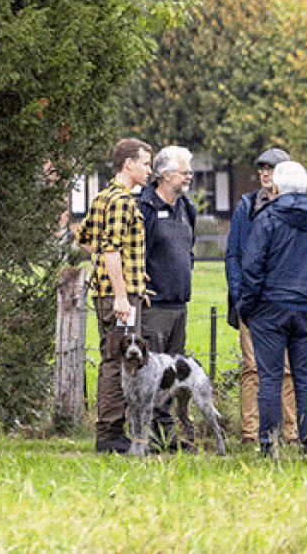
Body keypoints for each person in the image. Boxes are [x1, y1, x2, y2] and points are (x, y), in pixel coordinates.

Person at [239, 161, 307, 457]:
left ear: (276, 187)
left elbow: (252, 266)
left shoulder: (268, 217)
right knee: (304, 378)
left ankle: (269, 443)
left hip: (270, 307)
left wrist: (249, 307)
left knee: (270, 377)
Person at [77, 138, 152, 454]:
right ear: (129, 163)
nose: (149, 170)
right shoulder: (121, 201)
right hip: (116, 298)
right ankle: (109, 434)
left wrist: (132, 274)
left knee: (114, 358)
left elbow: (85, 239)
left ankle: (111, 432)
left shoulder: (103, 197)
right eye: (146, 163)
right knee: (116, 361)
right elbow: (109, 249)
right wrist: (121, 293)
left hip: (113, 291)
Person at [225, 147, 297, 446]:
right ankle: (250, 432)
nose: (266, 174)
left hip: (285, 301)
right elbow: (233, 254)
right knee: (252, 367)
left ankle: (292, 432)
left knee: (287, 369)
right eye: (262, 169)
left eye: (272, 169)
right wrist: (241, 295)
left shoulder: (297, 206)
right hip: (252, 302)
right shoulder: (246, 206)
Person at [136, 145, 197, 451]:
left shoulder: (188, 208)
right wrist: (138, 284)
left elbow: (190, 250)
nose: (189, 176)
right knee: (150, 374)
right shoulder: (144, 207)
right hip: (154, 306)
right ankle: (146, 436)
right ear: (165, 174)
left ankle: (166, 436)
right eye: (184, 171)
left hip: (179, 303)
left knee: (171, 377)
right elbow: (134, 251)